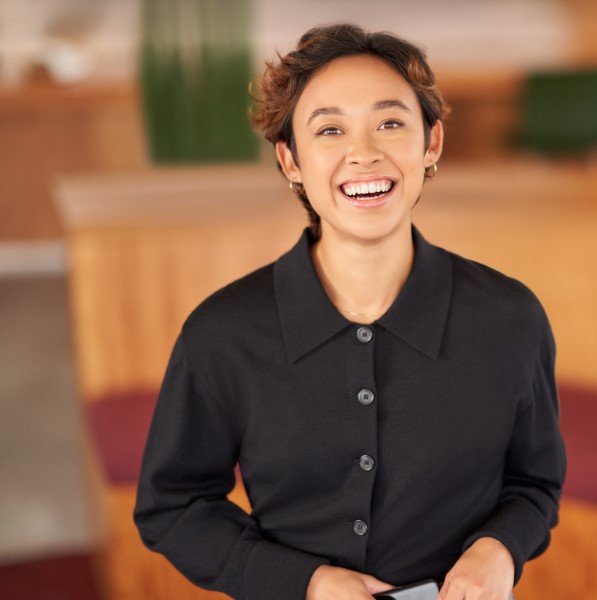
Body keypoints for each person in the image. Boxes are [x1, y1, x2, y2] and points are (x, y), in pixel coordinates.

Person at [134, 23, 566, 600]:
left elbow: (534, 482)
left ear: (430, 144)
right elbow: (173, 505)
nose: (364, 153)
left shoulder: (510, 318)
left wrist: (500, 549)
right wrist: (304, 583)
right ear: (290, 160)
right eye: (330, 130)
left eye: (390, 123)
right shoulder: (221, 334)